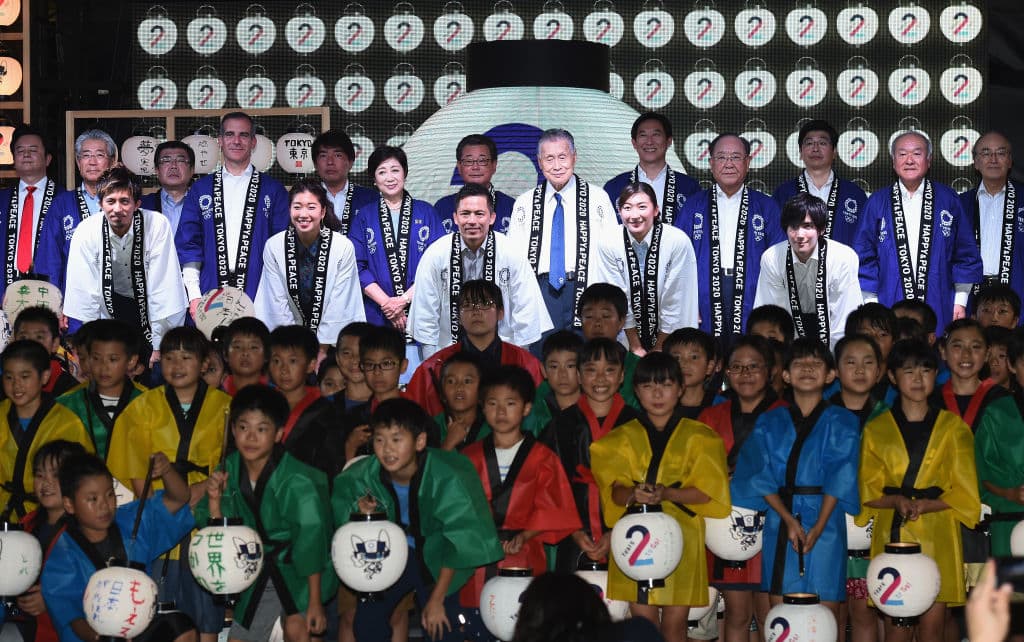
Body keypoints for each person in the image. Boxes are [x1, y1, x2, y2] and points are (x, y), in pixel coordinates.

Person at [332, 398, 504, 642]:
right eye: (379, 440)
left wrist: (436, 600)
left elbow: (459, 541)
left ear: (420, 441)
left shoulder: (447, 475)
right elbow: (340, 511)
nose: (387, 449)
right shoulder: (363, 475)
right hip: (388, 556)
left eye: (396, 439)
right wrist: (357, 511)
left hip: (438, 558)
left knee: (440, 626)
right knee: (366, 623)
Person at [591, 353, 731, 642]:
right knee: (644, 627)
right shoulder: (620, 438)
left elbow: (707, 492)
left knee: (675, 627)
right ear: (636, 390)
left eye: (666, 384)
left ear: (680, 388)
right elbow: (613, 492)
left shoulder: (701, 437)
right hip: (633, 536)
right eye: (647, 386)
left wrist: (666, 493)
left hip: (682, 536)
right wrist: (632, 493)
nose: (657, 393)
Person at [105, 327, 230, 640]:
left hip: (204, 521)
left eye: (187, 357)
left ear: (204, 364)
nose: (177, 365)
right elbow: (133, 469)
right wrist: (172, 502)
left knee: (206, 622)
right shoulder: (141, 408)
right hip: (158, 523)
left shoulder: (226, 407)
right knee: (156, 621)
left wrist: (196, 493)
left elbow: (231, 464)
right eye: (170, 357)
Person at [857, 339, 980, 642]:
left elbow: (965, 491)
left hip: (938, 533)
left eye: (926, 370)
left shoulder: (953, 428)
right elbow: (867, 490)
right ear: (892, 377)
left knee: (933, 629)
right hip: (892, 534)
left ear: (934, 375)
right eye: (908, 371)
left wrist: (927, 506)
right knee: (896, 631)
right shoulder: (876, 429)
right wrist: (896, 500)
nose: (917, 378)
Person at [732, 338, 860, 617]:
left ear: (830, 374)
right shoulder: (769, 421)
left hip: (826, 520)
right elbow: (758, 474)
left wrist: (820, 526)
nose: (807, 368)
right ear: (786, 375)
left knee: (825, 613)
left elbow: (841, 475)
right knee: (782, 616)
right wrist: (788, 519)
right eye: (799, 362)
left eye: (816, 363)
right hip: (780, 519)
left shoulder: (843, 420)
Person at [198, 385, 336, 642]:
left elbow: (312, 541)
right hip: (257, 569)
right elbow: (220, 533)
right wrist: (215, 503)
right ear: (233, 430)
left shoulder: (297, 480)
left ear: (278, 434)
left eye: (261, 429)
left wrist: (315, 601)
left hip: (300, 570)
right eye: (243, 427)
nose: (250, 437)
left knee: (299, 630)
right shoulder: (229, 468)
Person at [458, 365, 581, 636]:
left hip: (524, 554)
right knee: (476, 626)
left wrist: (525, 535)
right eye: (493, 403)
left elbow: (555, 508)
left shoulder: (543, 457)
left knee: (524, 626)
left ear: (526, 408)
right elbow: (457, 511)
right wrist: (485, 536)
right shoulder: (468, 457)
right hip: (479, 558)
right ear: (482, 407)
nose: (501, 412)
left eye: (510, 403)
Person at [41, 452, 197, 642]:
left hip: (137, 628)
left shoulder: (131, 521)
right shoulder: (62, 553)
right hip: (93, 637)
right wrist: (99, 637)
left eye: (109, 495)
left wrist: (167, 471)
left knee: (181, 628)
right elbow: (71, 616)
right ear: (69, 504)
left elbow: (179, 498)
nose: (104, 506)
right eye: (93, 499)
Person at [697, 335, 784, 640]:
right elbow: (698, 471)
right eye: (737, 367)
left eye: (754, 366)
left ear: (770, 369)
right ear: (726, 372)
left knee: (770, 613)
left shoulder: (788, 414)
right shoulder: (710, 416)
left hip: (775, 523)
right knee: (737, 612)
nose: (745, 373)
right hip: (728, 527)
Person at [855, 131, 982, 337]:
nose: (909, 160)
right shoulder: (877, 202)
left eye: (917, 153)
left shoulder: (948, 199)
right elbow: (863, 256)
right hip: (889, 301)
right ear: (893, 161)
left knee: (935, 358)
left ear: (929, 160)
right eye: (902, 154)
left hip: (939, 299)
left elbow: (965, 254)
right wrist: (871, 304)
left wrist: (960, 301)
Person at [412, 184, 551, 355]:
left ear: (492, 218)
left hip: (503, 350)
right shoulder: (436, 253)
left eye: (479, 214)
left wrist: (518, 361)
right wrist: (432, 366)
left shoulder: (511, 252)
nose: (472, 221)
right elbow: (425, 313)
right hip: (449, 350)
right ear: (455, 218)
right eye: (465, 214)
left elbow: (526, 311)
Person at [63, 167, 187, 357]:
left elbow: (162, 288)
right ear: (100, 203)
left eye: (124, 201)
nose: (117, 209)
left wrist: (157, 345)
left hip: (149, 305)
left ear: (137, 204)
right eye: (110, 201)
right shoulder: (86, 230)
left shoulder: (156, 224)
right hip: (109, 304)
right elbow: (86, 293)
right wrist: (91, 343)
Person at [673, 134, 785, 342]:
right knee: (707, 354)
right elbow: (678, 260)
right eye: (722, 157)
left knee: (747, 353)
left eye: (735, 157)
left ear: (748, 162)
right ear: (711, 163)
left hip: (753, 291)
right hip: (703, 291)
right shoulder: (693, 205)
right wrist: (686, 305)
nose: (728, 164)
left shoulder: (766, 206)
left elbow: (779, 259)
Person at [507, 128, 618, 337]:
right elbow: (515, 258)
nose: (556, 166)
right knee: (544, 359)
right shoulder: (525, 202)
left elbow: (612, 253)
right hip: (541, 291)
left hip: (586, 289)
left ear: (574, 157)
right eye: (549, 159)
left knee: (587, 361)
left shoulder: (598, 198)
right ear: (539, 162)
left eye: (562, 157)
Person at [176, 111, 291, 312]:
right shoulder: (201, 189)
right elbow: (189, 245)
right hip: (209, 290)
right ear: (219, 140)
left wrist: (277, 298)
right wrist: (193, 295)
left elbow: (282, 249)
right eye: (229, 134)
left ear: (253, 142)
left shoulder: (273, 190)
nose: (236, 141)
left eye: (243, 135)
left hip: (261, 292)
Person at [544, 338, 639, 573]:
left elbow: (646, 484)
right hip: (574, 536)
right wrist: (574, 531)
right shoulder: (560, 425)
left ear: (621, 376)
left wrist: (615, 532)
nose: (600, 379)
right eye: (590, 370)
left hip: (631, 534)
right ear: (578, 375)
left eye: (609, 370)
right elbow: (548, 485)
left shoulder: (637, 424)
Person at [406, 278, 544, 418]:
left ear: (501, 313)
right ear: (458, 316)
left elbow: (540, 416)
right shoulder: (435, 366)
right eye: (467, 305)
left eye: (485, 304)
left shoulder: (525, 363)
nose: (476, 311)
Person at [255, 178, 365, 352]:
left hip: (332, 344)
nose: (303, 214)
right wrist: (295, 347)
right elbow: (276, 302)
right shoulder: (274, 246)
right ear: (289, 210)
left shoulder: (342, 246)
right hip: (288, 343)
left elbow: (340, 303)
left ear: (322, 212)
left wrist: (321, 350)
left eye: (311, 207)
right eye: (297, 207)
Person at [829, 334, 887, 642]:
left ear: (880, 371)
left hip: (873, 528)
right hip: (828, 528)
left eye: (868, 363)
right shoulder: (820, 415)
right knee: (831, 611)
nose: (860, 370)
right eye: (850, 362)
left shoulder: (891, 416)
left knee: (865, 611)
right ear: (835, 370)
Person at [348, 145, 443, 333]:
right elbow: (357, 266)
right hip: (377, 313)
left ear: (405, 173)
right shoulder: (364, 216)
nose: (390, 177)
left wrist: (403, 300)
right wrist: (388, 304)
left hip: (421, 308)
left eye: (395, 170)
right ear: (374, 180)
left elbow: (438, 264)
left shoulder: (427, 212)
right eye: (382, 172)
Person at [596, 182, 698, 354]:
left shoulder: (676, 241)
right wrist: (635, 346)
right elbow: (618, 298)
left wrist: (659, 347)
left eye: (642, 207)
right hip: (626, 338)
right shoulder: (609, 242)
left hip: (672, 336)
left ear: (656, 210)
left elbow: (674, 300)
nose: (634, 215)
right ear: (619, 212)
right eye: (627, 208)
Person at [754, 192, 862, 349]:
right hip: (791, 327)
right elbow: (772, 315)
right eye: (793, 227)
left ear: (822, 229)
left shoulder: (843, 258)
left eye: (807, 226)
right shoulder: (772, 258)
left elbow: (845, 317)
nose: (799, 235)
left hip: (831, 325)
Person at [0, 340, 93, 518]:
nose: (16, 385)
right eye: (9, 377)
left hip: (51, 518)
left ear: (44, 376)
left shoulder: (67, 422)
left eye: (25, 376)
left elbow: (85, 478)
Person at [10, 440, 87, 642]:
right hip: (26, 629)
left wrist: (51, 599)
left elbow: (94, 585)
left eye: (56, 475)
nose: (46, 483)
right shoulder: (26, 525)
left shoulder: (87, 531)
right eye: (39, 475)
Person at [55, 320, 147, 462]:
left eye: (112, 359)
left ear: (131, 360)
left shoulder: (151, 402)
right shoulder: (65, 405)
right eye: (92, 358)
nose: (102, 367)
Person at [35, 129, 114, 292]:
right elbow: (49, 259)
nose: (92, 162)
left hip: (119, 298)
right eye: (86, 155)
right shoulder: (62, 204)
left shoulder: (125, 203)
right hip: (75, 301)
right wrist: (54, 303)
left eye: (100, 155)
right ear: (78, 163)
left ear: (112, 161)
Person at [266, 325, 344, 480]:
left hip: (307, 494)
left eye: (293, 361)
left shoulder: (327, 412)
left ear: (311, 365)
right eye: (276, 360)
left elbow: (332, 465)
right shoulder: (261, 404)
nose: (283, 369)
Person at [772, 120, 868, 246]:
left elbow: (865, 241)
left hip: (842, 265)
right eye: (809, 143)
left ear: (834, 152)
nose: (815, 148)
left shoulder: (855, 194)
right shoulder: (783, 194)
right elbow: (774, 239)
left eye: (822, 143)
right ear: (800, 152)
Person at [959, 131, 1024, 306]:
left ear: (1010, 161)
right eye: (986, 153)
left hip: (1018, 297)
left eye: (1001, 153)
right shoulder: (960, 204)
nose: (993, 159)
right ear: (976, 163)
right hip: (972, 297)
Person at [603, 112, 700, 225]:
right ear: (634, 143)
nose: (649, 142)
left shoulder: (689, 187)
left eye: (656, 135)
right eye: (643, 135)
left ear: (669, 141)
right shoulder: (614, 187)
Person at [0, 124, 63, 286]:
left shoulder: (64, 200)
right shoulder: (2, 200)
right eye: (20, 151)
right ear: (14, 160)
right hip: (4, 293)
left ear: (48, 159)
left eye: (33, 150)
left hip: (50, 294)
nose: (26, 154)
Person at [433, 134, 516, 233]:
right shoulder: (442, 207)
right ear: (459, 167)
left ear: (494, 165)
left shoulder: (511, 206)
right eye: (469, 161)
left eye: (482, 161)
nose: (475, 167)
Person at [313, 129, 377, 235]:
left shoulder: (370, 199)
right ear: (315, 164)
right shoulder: (305, 198)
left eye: (338, 155)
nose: (330, 162)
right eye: (323, 156)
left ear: (351, 162)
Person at [524, 330, 583, 437]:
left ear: (583, 368)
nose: (562, 374)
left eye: (570, 366)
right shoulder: (535, 414)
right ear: (543, 370)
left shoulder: (596, 408)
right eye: (554, 367)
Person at [430, 351, 490, 451]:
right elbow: (425, 466)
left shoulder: (494, 426)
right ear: (442, 391)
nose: (459, 388)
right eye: (451, 381)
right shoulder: (430, 428)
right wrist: (448, 444)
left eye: (467, 381)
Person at [13, 305, 79, 396]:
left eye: (39, 337)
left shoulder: (73, 393)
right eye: (23, 337)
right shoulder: (5, 387)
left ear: (55, 344)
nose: (30, 344)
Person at [140, 140, 194, 235]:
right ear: (157, 170)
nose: (173, 166)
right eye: (166, 160)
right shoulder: (141, 205)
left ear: (192, 170)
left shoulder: (203, 206)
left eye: (180, 160)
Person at [663, 328, 719, 418]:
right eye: (677, 358)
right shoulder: (658, 405)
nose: (685, 364)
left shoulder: (723, 407)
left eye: (694, 357)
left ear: (709, 366)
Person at [221, 317, 270, 395]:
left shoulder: (277, 397)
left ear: (267, 355)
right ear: (225, 354)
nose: (245, 353)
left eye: (253, 347)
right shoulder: (216, 395)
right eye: (237, 347)